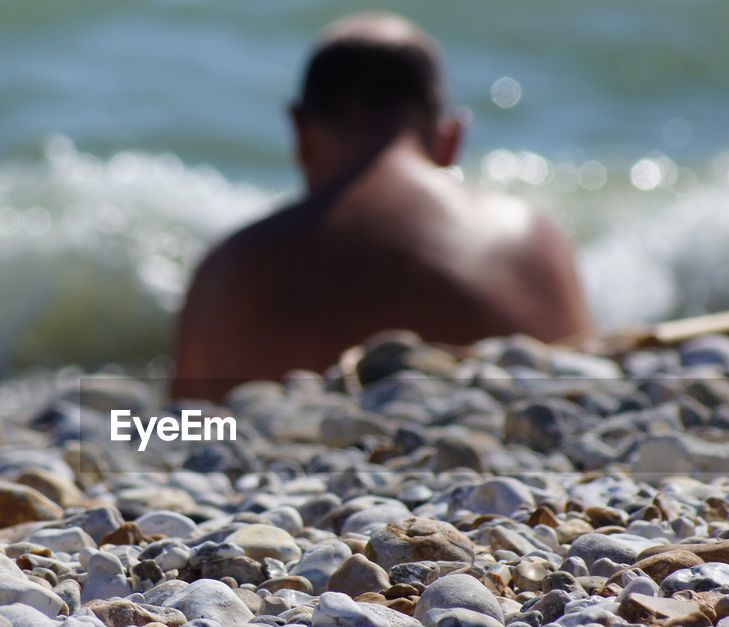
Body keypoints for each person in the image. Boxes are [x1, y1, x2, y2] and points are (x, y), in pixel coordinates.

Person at [171, 12, 592, 400]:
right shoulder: (533, 242)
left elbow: (185, 430)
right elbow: (583, 392)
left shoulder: (231, 270)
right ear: (451, 139)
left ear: (300, 133)